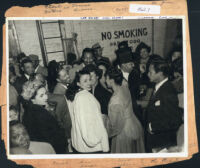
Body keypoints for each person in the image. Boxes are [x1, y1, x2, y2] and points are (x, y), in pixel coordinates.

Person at [65, 69, 109, 153]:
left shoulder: (77, 95)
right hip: (92, 147)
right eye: (85, 81)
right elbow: (85, 123)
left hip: (81, 145)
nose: (89, 83)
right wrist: (95, 140)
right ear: (78, 84)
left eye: (89, 79)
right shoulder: (85, 97)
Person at [145, 57, 182, 152]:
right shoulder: (159, 87)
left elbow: (175, 120)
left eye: (150, 72)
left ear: (160, 73)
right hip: (156, 141)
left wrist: (152, 127)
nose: (148, 74)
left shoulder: (168, 91)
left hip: (163, 144)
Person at [105, 67, 145, 153]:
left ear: (111, 80)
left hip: (124, 132)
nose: (105, 81)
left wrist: (105, 126)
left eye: (106, 78)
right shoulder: (124, 88)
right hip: (134, 124)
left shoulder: (114, 100)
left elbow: (115, 126)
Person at [21, 79, 67, 154]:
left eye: (45, 93)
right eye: (41, 95)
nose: (46, 97)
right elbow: (52, 139)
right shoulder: (40, 114)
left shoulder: (28, 111)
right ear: (32, 100)